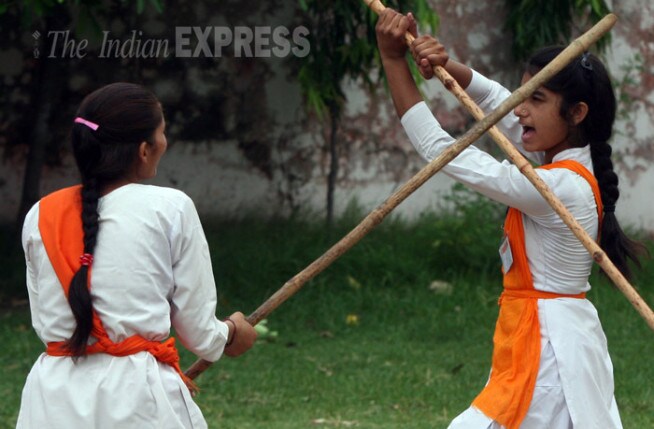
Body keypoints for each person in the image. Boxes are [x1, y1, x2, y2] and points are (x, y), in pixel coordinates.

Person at [375, 9, 647, 429]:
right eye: (525, 95)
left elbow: (440, 150)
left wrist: (393, 61)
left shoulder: (560, 187)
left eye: (536, 99)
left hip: (548, 350)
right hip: (546, 338)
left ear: (576, 113)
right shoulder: (564, 158)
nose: (520, 110)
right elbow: (499, 99)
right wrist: (445, 67)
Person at [17, 82, 258, 429]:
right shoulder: (170, 208)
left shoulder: (40, 214)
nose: (165, 142)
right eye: (162, 133)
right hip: (138, 401)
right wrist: (234, 333)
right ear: (145, 149)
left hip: (51, 400)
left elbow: (46, 318)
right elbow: (201, 335)